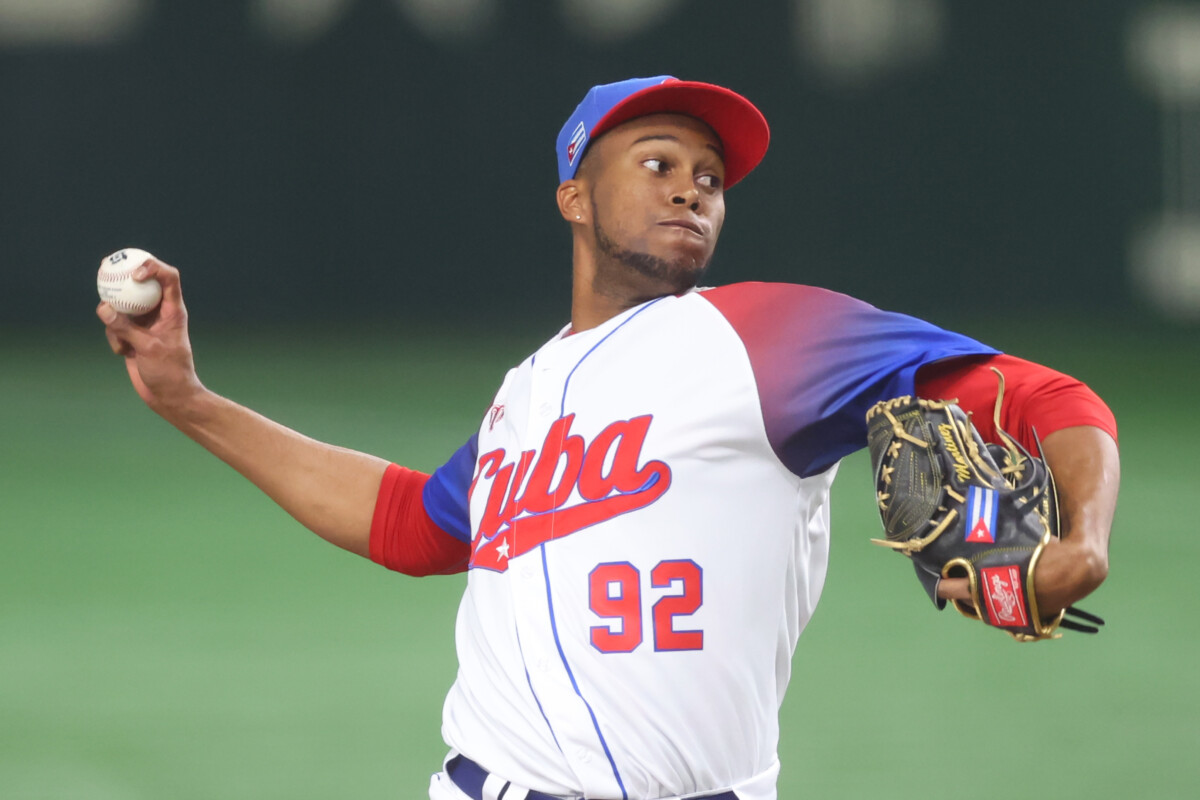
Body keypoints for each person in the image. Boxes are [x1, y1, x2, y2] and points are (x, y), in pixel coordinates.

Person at [97, 77, 1119, 800]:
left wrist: (1083, 538)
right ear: (574, 197)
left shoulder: (768, 332)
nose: (692, 186)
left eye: (709, 175)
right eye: (659, 161)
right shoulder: (524, 393)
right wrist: (189, 400)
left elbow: (1050, 396)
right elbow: (412, 524)